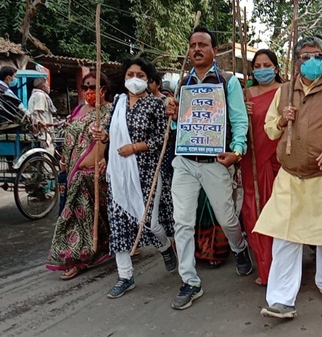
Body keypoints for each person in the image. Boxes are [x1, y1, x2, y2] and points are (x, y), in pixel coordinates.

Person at [254, 36, 322, 319]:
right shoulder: (284, 92)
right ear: (296, 60)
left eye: (317, 55)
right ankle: (280, 300)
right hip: (290, 176)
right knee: (286, 236)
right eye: (305, 56)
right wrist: (282, 119)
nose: (311, 61)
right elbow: (270, 130)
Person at [165, 25, 252, 310]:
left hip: (216, 162)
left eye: (203, 44)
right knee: (182, 222)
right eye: (193, 45)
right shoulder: (182, 84)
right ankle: (189, 281)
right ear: (188, 51)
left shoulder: (228, 82)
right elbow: (181, 127)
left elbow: (239, 121)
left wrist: (237, 151)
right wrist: (175, 115)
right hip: (186, 162)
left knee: (227, 218)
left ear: (214, 51)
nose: (197, 49)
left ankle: (239, 249)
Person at [90, 58, 177, 298]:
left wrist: (136, 147)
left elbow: (164, 139)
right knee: (118, 222)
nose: (134, 79)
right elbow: (110, 133)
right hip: (119, 172)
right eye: (130, 74)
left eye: (140, 75)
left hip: (148, 170)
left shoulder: (156, 105)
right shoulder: (117, 102)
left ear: (148, 80)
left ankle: (165, 246)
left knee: (150, 221)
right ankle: (125, 276)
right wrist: (103, 136)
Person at [46, 72, 112, 280]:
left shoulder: (109, 111)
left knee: (82, 200)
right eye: (85, 87)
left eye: (94, 86)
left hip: (96, 170)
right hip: (73, 169)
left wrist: (105, 160)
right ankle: (75, 254)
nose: (89, 91)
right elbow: (69, 139)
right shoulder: (78, 110)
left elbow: (110, 141)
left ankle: (79, 257)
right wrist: (64, 164)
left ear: (104, 89)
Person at [241, 49, 283, 286]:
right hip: (252, 160)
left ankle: (282, 267)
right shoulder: (245, 94)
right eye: (257, 65)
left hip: (278, 159)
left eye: (267, 65)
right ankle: (265, 268)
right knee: (253, 210)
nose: (262, 69)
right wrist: (241, 112)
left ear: (276, 69)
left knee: (278, 212)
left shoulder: (285, 93)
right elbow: (234, 125)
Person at [27, 77, 57, 152]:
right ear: (42, 86)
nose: (49, 87)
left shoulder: (35, 94)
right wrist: (41, 124)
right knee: (49, 153)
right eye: (47, 85)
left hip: (41, 130)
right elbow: (37, 114)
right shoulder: (40, 95)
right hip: (43, 131)